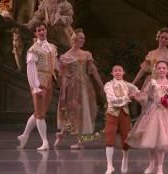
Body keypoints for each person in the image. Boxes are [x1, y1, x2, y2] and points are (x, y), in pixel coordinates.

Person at [127, 61, 168, 174]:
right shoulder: (152, 83)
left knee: (161, 142)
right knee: (151, 141)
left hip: (167, 114)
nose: (161, 70)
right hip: (154, 112)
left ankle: (160, 167)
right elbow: (144, 96)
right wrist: (136, 96)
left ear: (167, 69)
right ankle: (151, 163)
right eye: (159, 68)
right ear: (156, 69)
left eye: (163, 68)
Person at [54, 28, 104, 149]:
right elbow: (65, 76)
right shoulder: (65, 57)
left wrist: (101, 85)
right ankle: (63, 133)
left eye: (84, 38)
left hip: (85, 86)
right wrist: (63, 92)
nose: (83, 40)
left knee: (82, 111)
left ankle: (75, 139)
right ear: (74, 39)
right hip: (72, 86)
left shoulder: (86, 54)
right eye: (81, 37)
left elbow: (93, 71)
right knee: (72, 110)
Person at [17, 22, 58, 151]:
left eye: (43, 29)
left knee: (40, 112)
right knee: (40, 114)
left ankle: (24, 135)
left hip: (49, 81)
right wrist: (35, 87)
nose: (41, 32)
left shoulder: (51, 47)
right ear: (35, 33)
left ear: (46, 31)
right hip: (39, 81)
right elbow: (30, 69)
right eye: (39, 30)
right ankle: (45, 141)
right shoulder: (33, 49)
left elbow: (55, 64)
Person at [103, 65, 140, 174]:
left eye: (120, 70)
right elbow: (112, 100)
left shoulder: (128, 85)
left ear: (123, 72)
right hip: (112, 115)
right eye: (115, 71)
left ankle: (125, 159)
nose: (118, 72)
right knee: (109, 139)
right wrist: (128, 98)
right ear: (112, 73)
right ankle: (109, 165)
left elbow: (140, 93)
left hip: (124, 115)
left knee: (126, 140)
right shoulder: (108, 85)